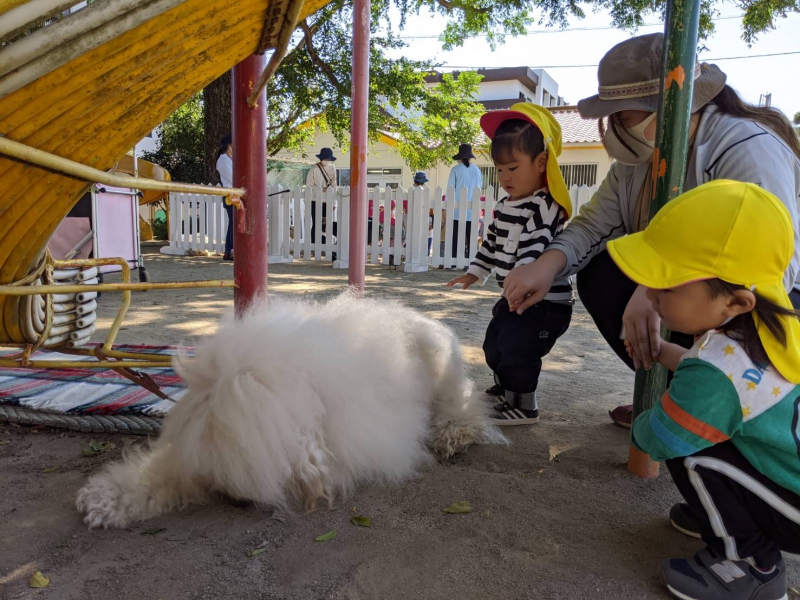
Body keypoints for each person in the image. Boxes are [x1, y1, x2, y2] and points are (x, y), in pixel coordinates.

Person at [502, 32, 800, 428]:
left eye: (622, 116)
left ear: (666, 108)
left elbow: (771, 267)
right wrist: (546, 265)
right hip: (693, 290)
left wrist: (655, 288)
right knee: (602, 273)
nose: (613, 128)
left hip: (763, 301)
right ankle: (674, 395)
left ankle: (731, 408)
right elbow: (592, 226)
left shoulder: (747, 147)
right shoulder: (636, 161)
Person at [606, 181, 800, 600]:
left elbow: (662, 436)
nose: (651, 295)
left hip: (794, 513)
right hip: (788, 487)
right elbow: (729, 382)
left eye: (668, 286)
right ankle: (726, 516)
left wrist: (642, 426)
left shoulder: (718, 371)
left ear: (735, 302)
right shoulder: (771, 328)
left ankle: (753, 567)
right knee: (708, 437)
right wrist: (663, 353)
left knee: (691, 452)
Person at [447, 104, 574, 425]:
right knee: (495, 344)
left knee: (519, 348)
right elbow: (491, 242)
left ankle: (524, 405)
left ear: (541, 162)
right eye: (500, 169)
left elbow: (536, 245)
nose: (505, 177)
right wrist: (474, 272)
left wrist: (524, 275)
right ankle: (504, 391)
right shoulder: (506, 205)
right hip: (514, 296)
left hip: (544, 302)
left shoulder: (544, 204)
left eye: (513, 168)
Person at [447, 144, 482, 260]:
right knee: (471, 237)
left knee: (456, 237)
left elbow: (450, 189)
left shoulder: (456, 169)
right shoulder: (477, 170)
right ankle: (471, 260)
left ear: (460, 157)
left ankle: (454, 260)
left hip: (457, 210)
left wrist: (446, 208)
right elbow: (479, 188)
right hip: (472, 210)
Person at [306, 147, 337, 252]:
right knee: (316, 223)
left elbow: (334, 186)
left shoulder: (332, 168)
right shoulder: (313, 169)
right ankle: (314, 246)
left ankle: (325, 246)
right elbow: (309, 185)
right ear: (321, 158)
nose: (327, 161)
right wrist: (320, 189)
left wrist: (334, 202)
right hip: (315, 200)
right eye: (325, 159)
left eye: (329, 159)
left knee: (326, 224)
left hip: (327, 200)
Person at [215, 133, 234, 261]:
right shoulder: (223, 160)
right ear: (229, 145)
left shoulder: (229, 159)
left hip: (233, 194)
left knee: (233, 223)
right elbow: (233, 178)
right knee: (234, 223)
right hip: (230, 195)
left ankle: (228, 251)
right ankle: (232, 250)